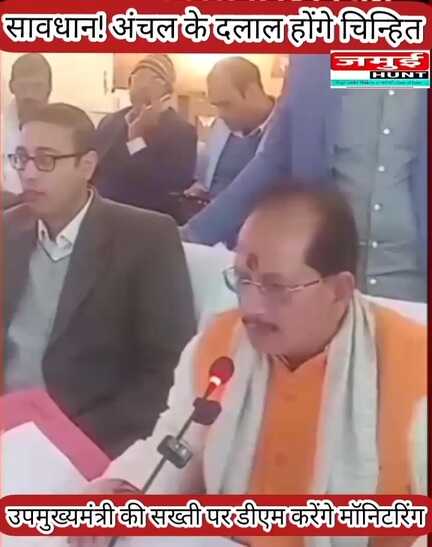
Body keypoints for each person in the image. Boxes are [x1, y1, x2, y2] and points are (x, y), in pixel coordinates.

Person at [72, 186, 426, 547]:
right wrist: (126, 489)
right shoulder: (220, 345)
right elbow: (178, 443)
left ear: (339, 289)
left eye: (277, 287)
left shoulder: (415, 364)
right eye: (243, 280)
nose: (251, 308)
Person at [4, 103, 196, 458]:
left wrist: (72, 438)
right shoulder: (8, 229)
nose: (28, 174)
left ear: (87, 165)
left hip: (84, 434)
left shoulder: (145, 238)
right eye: (21, 158)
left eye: (45, 160)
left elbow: (165, 369)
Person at [181, 54, 427, 303]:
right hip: (326, 276)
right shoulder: (313, 61)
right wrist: (192, 235)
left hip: (414, 282)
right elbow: (274, 160)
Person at [95, 54, 197, 216]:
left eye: (151, 79)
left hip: (145, 216)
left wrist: (136, 141)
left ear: (166, 89)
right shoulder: (110, 121)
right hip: (101, 212)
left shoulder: (182, 131)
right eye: (136, 77)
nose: (140, 84)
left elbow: (171, 184)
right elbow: (96, 168)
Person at [185, 57, 274, 201]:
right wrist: (197, 191)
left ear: (252, 92)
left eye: (226, 104)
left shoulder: (286, 130)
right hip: (207, 208)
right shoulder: (220, 126)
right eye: (217, 106)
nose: (221, 115)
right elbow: (205, 182)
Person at [3, 53, 52, 195]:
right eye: (23, 87)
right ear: (11, 87)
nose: (29, 95)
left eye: (37, 87)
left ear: (49, 88)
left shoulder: (67, 130)